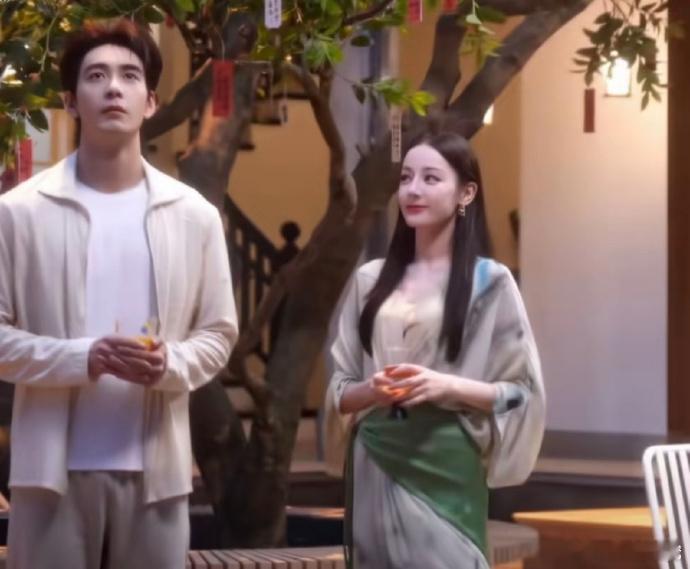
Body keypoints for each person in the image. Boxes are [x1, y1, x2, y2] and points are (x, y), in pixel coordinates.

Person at [0, 18, 238, 569]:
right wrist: (82, 357)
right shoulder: (19, 213)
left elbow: (219, 333)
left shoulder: (194, 215)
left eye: (130, 76)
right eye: (96, 76)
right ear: (70, 101)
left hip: (158, 474)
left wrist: (169, 364)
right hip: (49, 474)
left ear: (150, 102)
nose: (113, 87)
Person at [328, 132, 545, 569]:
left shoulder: (490, 283)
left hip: (448, 458)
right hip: (376, 455)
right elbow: (340, 388)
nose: (413, 190)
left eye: (430, 178)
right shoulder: (370, 280)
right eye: (406, 178)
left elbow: (520, 394)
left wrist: (447, 386)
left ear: (466, 193)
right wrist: (372, 390)